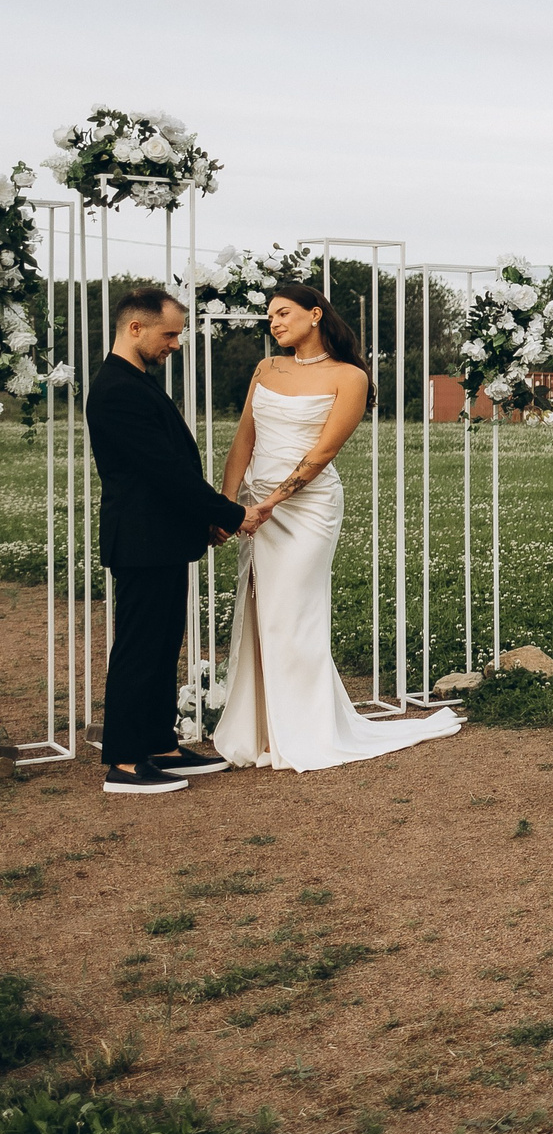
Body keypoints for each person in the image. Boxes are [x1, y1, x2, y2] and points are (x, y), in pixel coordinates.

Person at [211, 284, 463, 771]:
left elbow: (323, 453)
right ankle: (264, 731)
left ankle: (306, 731)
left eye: (283, 313)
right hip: (255, 507)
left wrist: (270, 504)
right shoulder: (266, 369)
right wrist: (228, 503)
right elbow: (244, 437)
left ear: (315, 314)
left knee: (293, 613)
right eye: (270, 316)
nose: (275, 322)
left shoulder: (351, 377)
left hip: (306, 510)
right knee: (262, 611)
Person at [86, 287, 254, 795]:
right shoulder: (116, 388)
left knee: (161, 646)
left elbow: (169, 469)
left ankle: (159, 743)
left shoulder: (133, 381)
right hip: (140, 539)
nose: (176, 344)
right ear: (134, 328)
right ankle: (125, 762)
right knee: (140, 648)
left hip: (158, 537)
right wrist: (230, 513)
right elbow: (163, 473)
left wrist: (202, 521)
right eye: (170, 333)